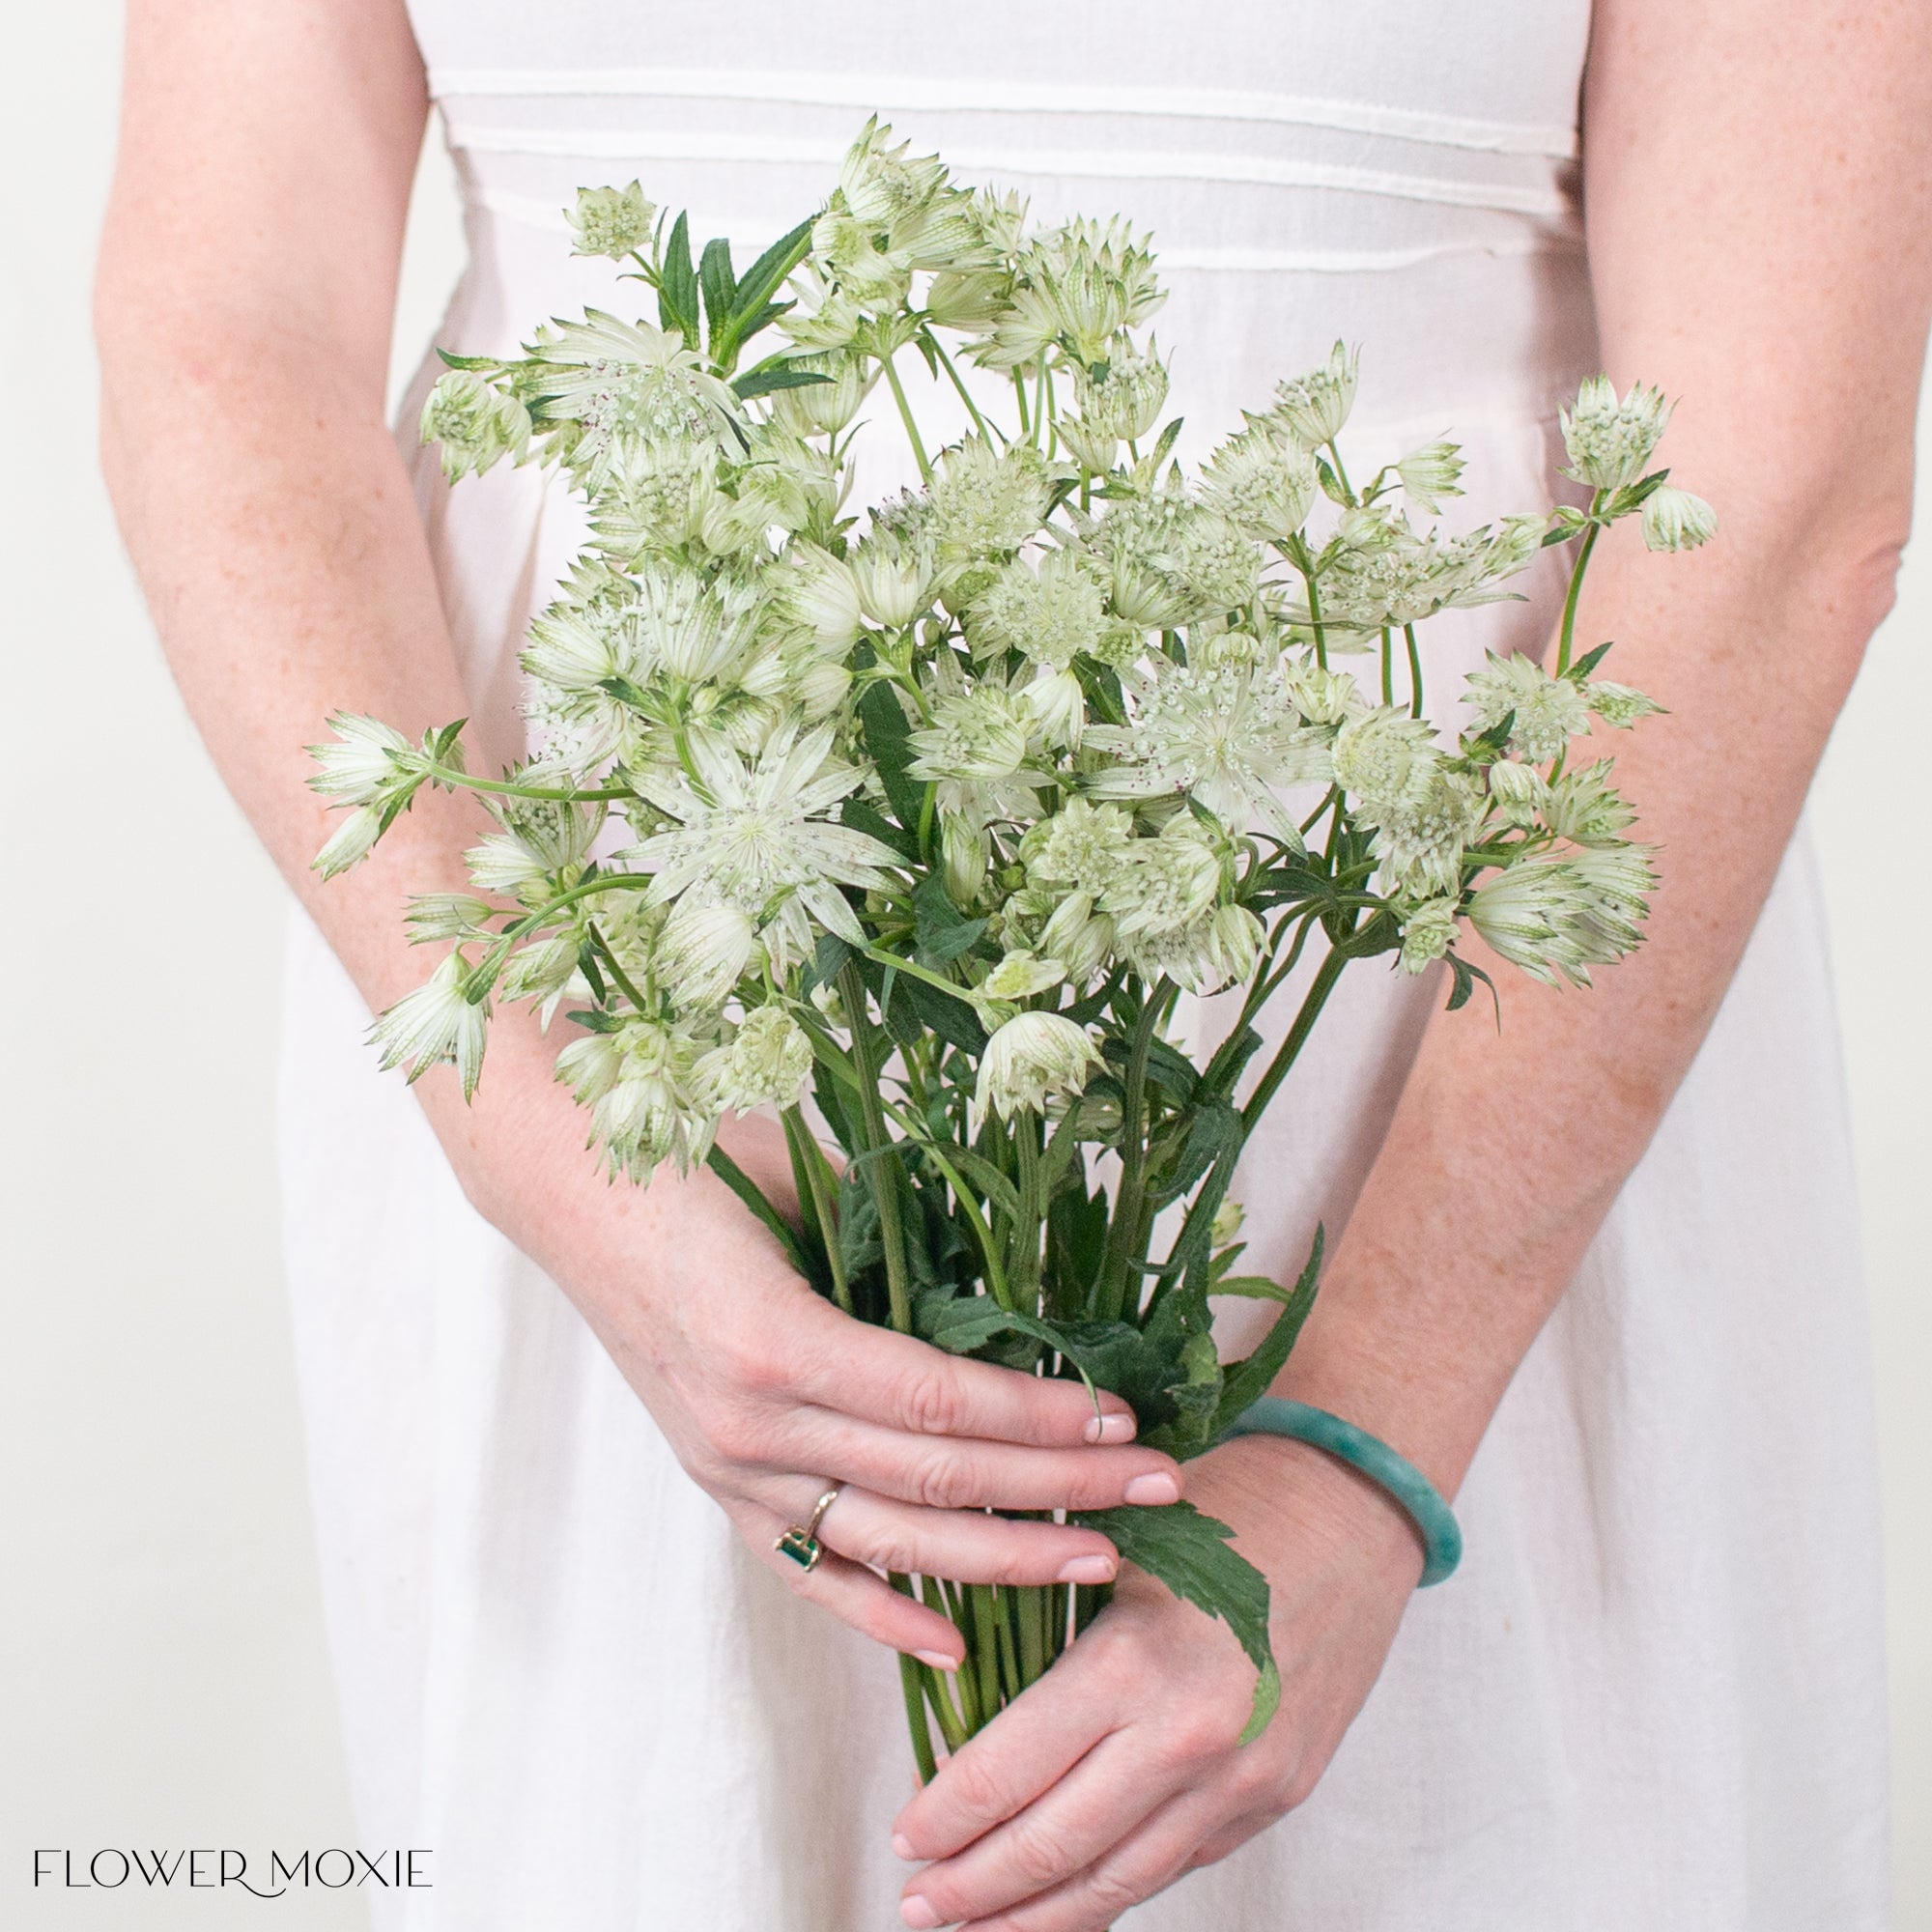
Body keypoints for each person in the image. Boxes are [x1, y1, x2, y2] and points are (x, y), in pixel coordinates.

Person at [96, 2, 1929, 1926]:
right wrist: (563, 1160)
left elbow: (1782, 478)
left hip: (1441, 1074)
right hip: (622, 1055)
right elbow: (225, 316)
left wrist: (1363, 1441)